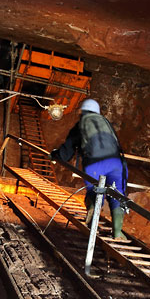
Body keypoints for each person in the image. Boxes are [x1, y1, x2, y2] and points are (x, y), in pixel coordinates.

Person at [50, 98, 129, 240]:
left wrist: (55, 155)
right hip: (115, 163)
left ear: (83, 112)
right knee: (117, 194)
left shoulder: (81, 125)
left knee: (94, 191)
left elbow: (66, 152)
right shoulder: (106, 123)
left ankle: (92, 220)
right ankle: (117, 232)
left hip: (94, 163)